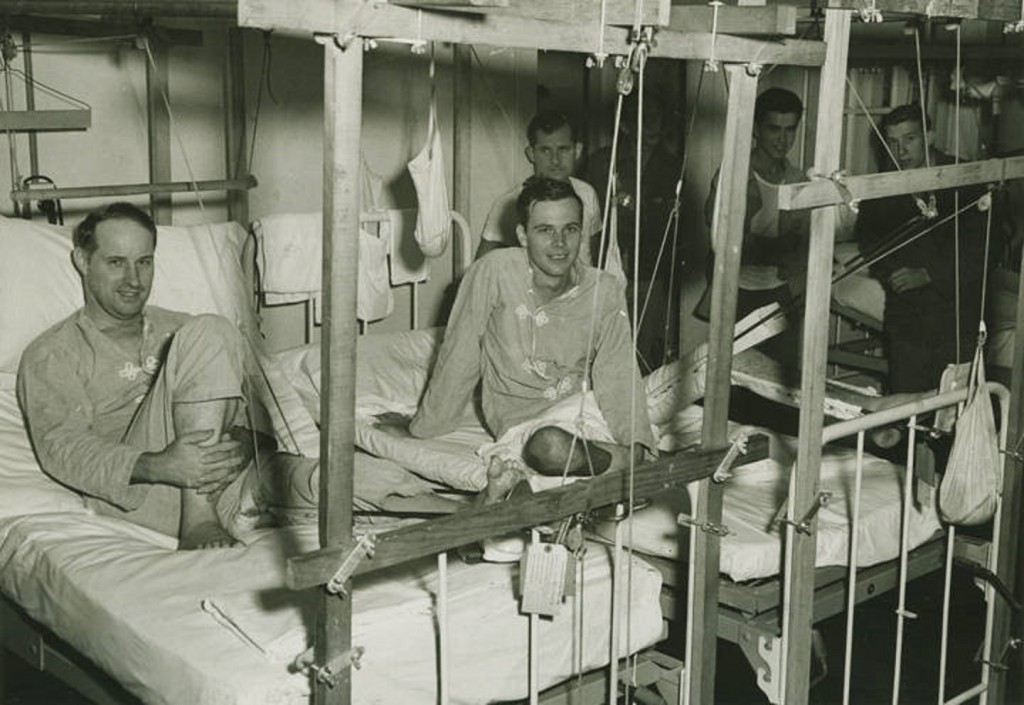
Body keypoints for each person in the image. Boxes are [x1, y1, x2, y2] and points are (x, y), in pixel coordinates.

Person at [16, 203, 266, 550]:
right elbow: (62, 448)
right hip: (139, 495)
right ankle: (199, 522)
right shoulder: (53, 353)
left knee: (335, 481)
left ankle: (236, 512)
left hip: (224, 484)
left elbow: (258, 424)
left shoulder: (180, 327)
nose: (133, 280)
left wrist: (241, 448)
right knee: (212, 327)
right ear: (83, 261)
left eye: (144, 262)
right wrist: (159, 466)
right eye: (116, 262)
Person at [380, 177, 654, 494]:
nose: (560, 243)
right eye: (545, 230)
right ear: (523, 235)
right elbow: (461, 353)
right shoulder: (494, 273)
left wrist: (636, 440)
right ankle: (609, 468)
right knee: (547, 447)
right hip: (525, 426)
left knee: (557, 455)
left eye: (571, 229)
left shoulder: (603, 288)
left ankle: (620, 461)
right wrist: (423, 428)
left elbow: (618, 372)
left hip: (587, 412)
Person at [853, 104, 987, 394]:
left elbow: (985, 249)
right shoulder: (880, 191)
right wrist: (892, 275)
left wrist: (930, 274)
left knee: (954, 411)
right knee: (905, 407)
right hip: (907, 317)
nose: (901, 150)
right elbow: (871, 245)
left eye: (910, 139)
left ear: (930, 136)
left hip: (957, 314)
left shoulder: (965, 180)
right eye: (893, 142)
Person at [586, 91, 683, 370]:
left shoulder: (672, 165)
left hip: (650, 271)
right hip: (606, 266)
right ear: (626, 125)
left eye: (657, 118)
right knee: (604, 343)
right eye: (644, 119)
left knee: (643, 345)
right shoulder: (602, 162)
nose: (653, 126)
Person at [699, 87, 811, 323]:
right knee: (737, 360)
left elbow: (802, 241)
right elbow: (722, 235)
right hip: (737, 290)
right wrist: (777, 247)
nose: (783, 140)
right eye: (774, 129)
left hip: (783, 290)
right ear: (756, 129)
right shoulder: (733, 174)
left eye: (790, 130)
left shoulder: (798, 179)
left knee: (784, 360)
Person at [476, 110, 603, 266]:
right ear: (531, 154)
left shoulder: (587, 193)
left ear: (577, 151)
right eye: (545, 150)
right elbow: (480, 269)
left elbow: (594, 253)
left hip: (581, 287)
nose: (555, 160)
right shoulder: (508, 203)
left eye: (563, 149)